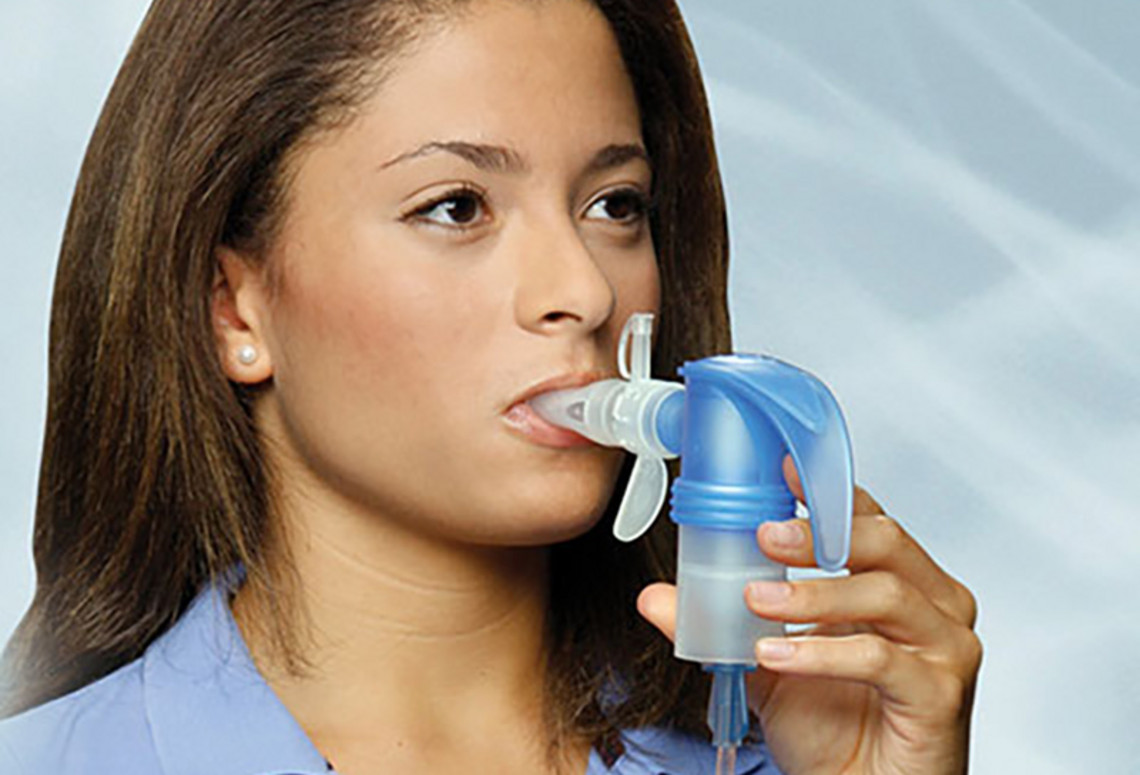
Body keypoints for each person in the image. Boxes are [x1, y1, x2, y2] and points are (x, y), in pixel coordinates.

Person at [0, 0, 982, 773]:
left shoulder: (783, 758)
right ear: (235, 309)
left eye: (614, 205)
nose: (584, 289)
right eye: (457, 206)